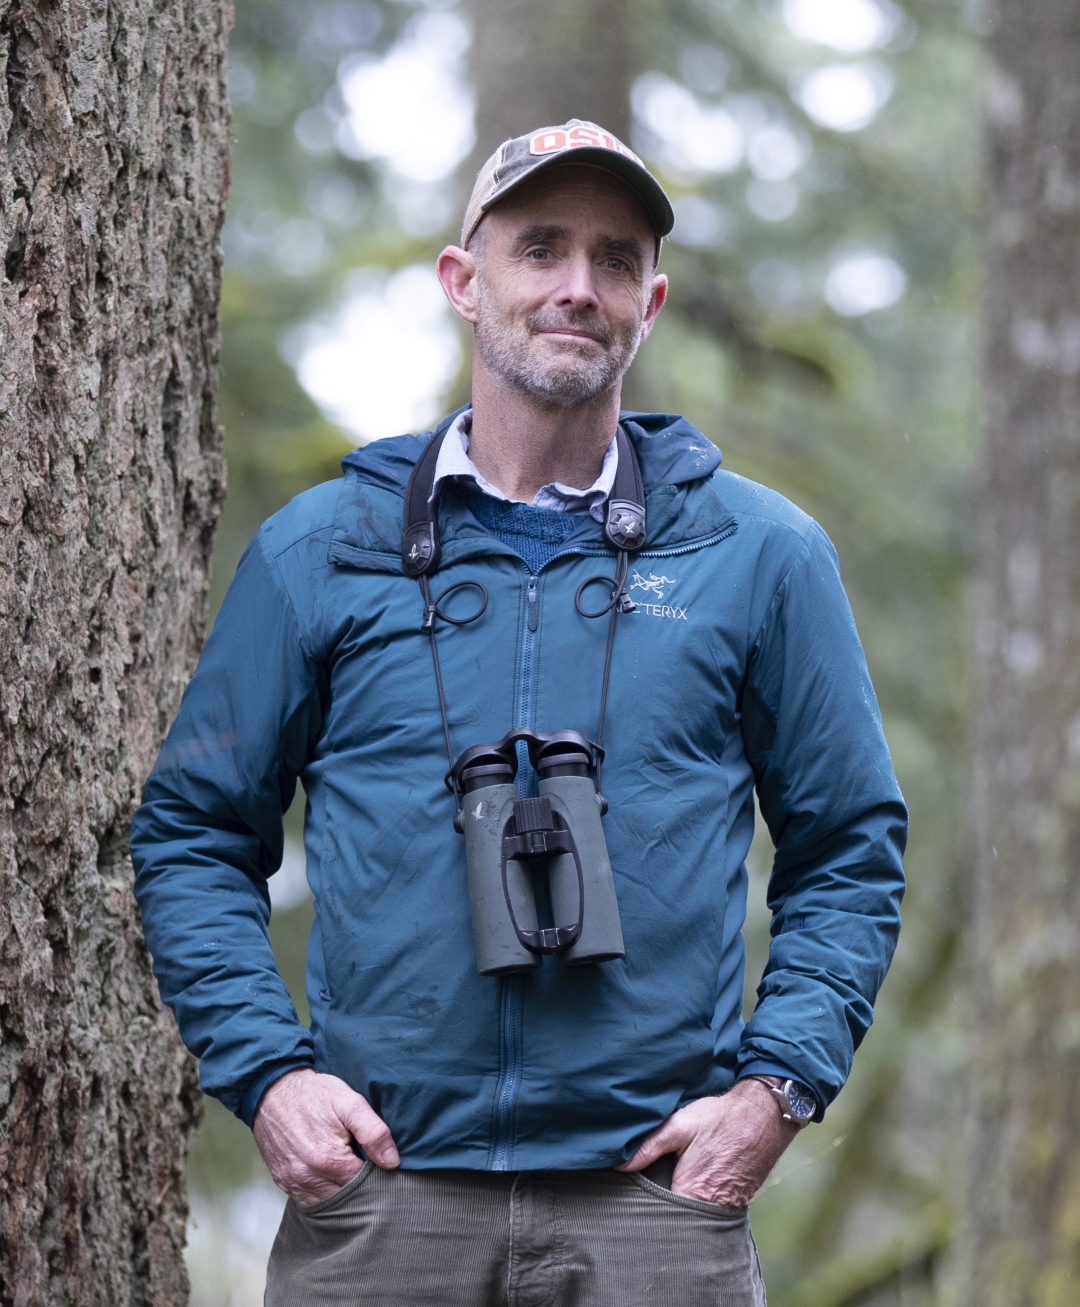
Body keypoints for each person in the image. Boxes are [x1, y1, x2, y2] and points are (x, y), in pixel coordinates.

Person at [131, 120, 907, 1306]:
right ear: (463, 281)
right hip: (383, 1199)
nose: (576, 287)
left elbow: (848, 844)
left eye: (614, 258)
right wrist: (270, 1075)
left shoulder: (759, 554)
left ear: (650, 302)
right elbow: (192, 830)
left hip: (658, 1207)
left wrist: (775, 1092)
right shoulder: (321, 550)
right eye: (540, 248)